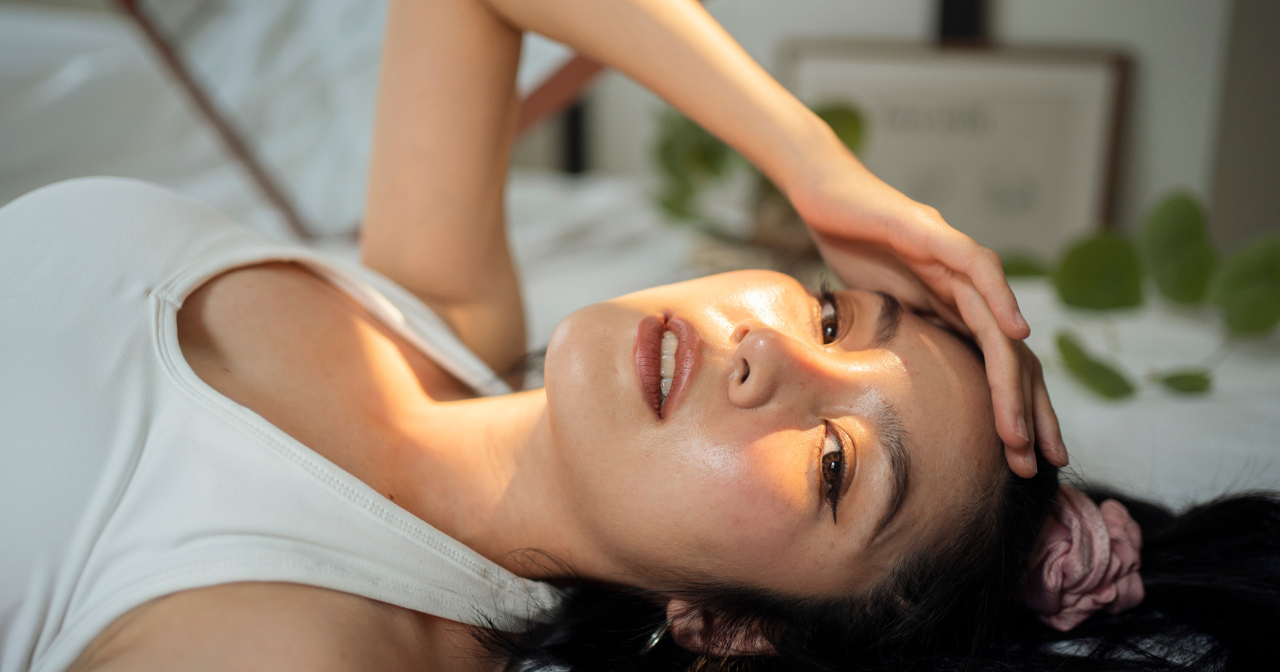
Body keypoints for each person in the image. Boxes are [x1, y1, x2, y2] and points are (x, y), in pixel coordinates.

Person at [0, 1, 1274, 672]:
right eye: (833, 314)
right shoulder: (435, 325)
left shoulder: (305, 644)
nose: (766, 350)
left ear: (730, 632)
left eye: (834, 462)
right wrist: (809, 157)